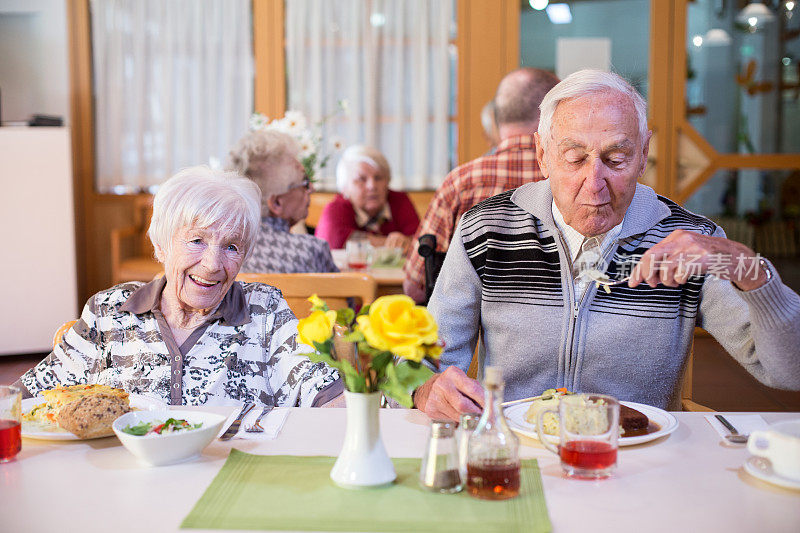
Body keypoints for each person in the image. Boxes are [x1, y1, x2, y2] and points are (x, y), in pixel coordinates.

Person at [413, 70, 800, 420]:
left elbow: (789, 370)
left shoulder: (687, 242)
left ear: (644, 154)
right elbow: (418, 365)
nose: (595, 183)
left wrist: (749, 268)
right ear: (542, 155)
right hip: (517, 455)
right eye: (574, 158)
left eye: (616, 158)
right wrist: (424, 390)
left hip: (636, 460)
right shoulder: (486, 228)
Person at [16, 166, 343, 408]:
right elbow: (27, 396)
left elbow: (318, 388)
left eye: (232, 247)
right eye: (197, 240)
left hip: (230, 485)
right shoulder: (109, 311)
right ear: (161, 244)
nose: (213, 264)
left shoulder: (263, 310)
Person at [403, 68, 560, 303]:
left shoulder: (461, 182)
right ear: (554, 114)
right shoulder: (576, 178)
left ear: (497, 118)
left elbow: (415, 286)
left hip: (475, 334)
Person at [228, 129, 338, 274]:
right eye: (304, 182)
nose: (311, 188)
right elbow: (345, 296)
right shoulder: (311, 250)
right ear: (276, 203)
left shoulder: (226, 250)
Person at [315, 145, 420, 252]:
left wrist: (409, 242)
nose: (372, 186)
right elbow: (337, 241)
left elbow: (421, 241)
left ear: (388, 181)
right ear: (345, 188)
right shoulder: (335, 208)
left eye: (378, 178)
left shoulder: (399, 201)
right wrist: (397, 244)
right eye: (361, 179)